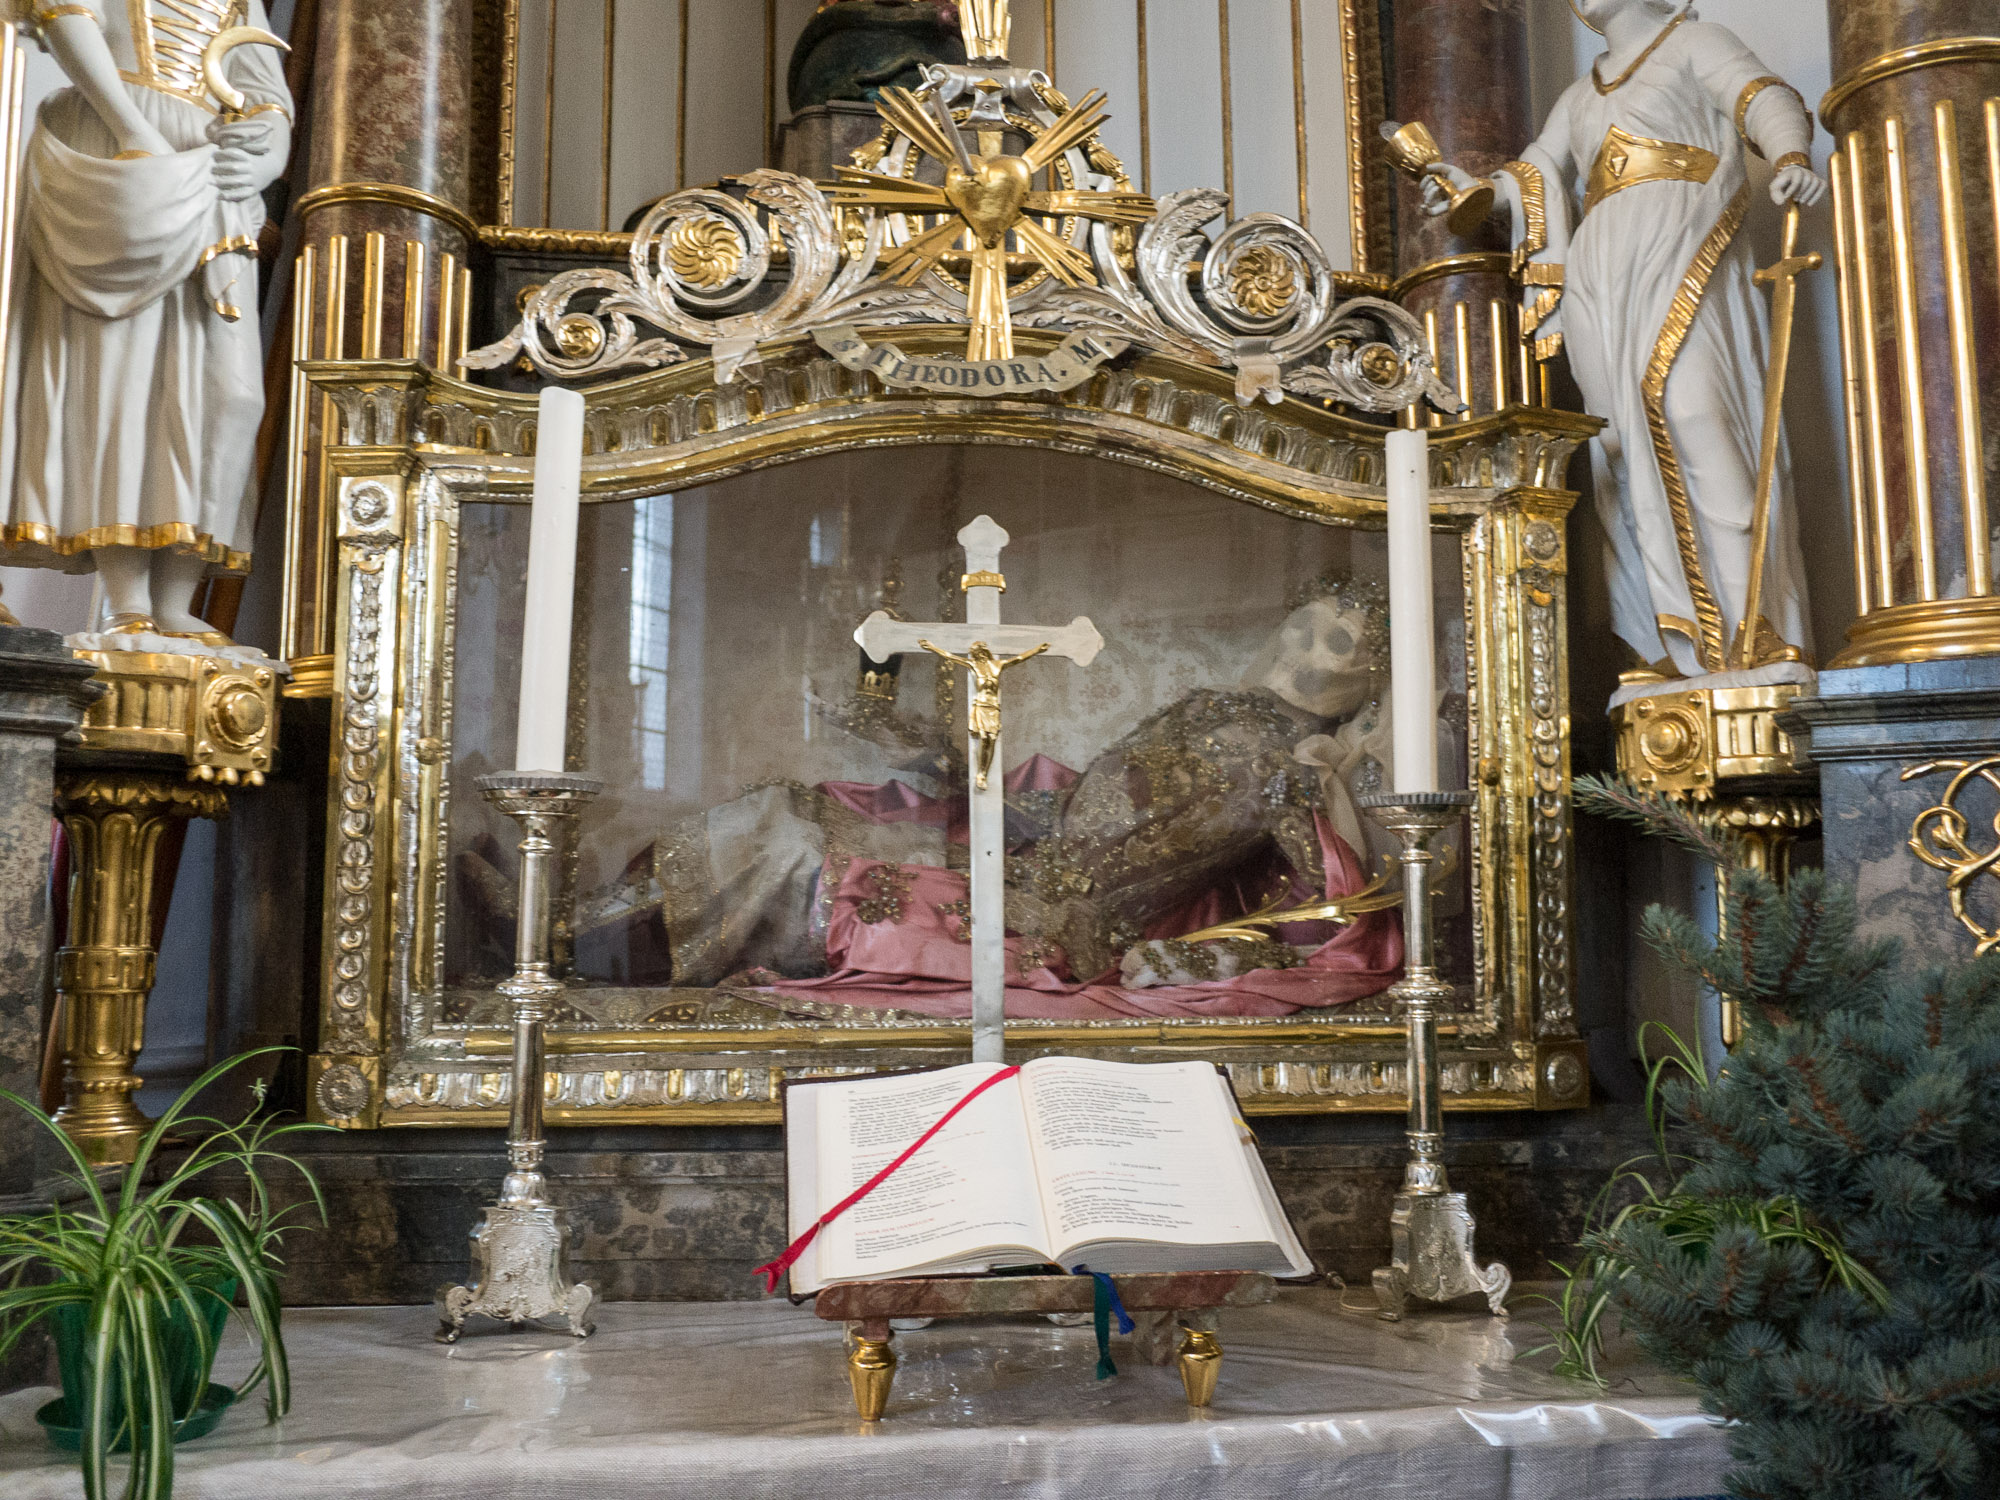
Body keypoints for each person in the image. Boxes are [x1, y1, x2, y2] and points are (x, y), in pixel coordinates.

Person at [1423, 0, 1823, 679]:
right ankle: (1668, 643)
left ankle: (1755, 626)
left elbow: (1761, 96)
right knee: (1617, 449)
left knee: (1696, 415)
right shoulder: (1578, 96)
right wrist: (1476, 191)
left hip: (1681, 245)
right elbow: (1534, 172)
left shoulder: (1695, 41)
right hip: (1599, 274)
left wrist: (1790, 154)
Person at [0, 0, 291, 641]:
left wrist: (265, 155)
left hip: (212, 173)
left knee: (232, 394)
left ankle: (175, 599)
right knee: (120, 377)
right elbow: (62, 14)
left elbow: (269, 96)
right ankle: (127, 599)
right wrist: (134, 130)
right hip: (117, 144)